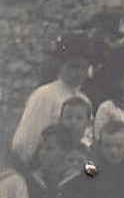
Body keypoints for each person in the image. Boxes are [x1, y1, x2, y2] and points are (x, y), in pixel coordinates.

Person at [11, 36, 94, 164]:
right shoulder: (44, 95)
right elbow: (26, 140)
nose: (78, 72)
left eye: (83, 68)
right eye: (73, 67)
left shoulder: (84, 100)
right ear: (61, 66)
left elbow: (87, 138)